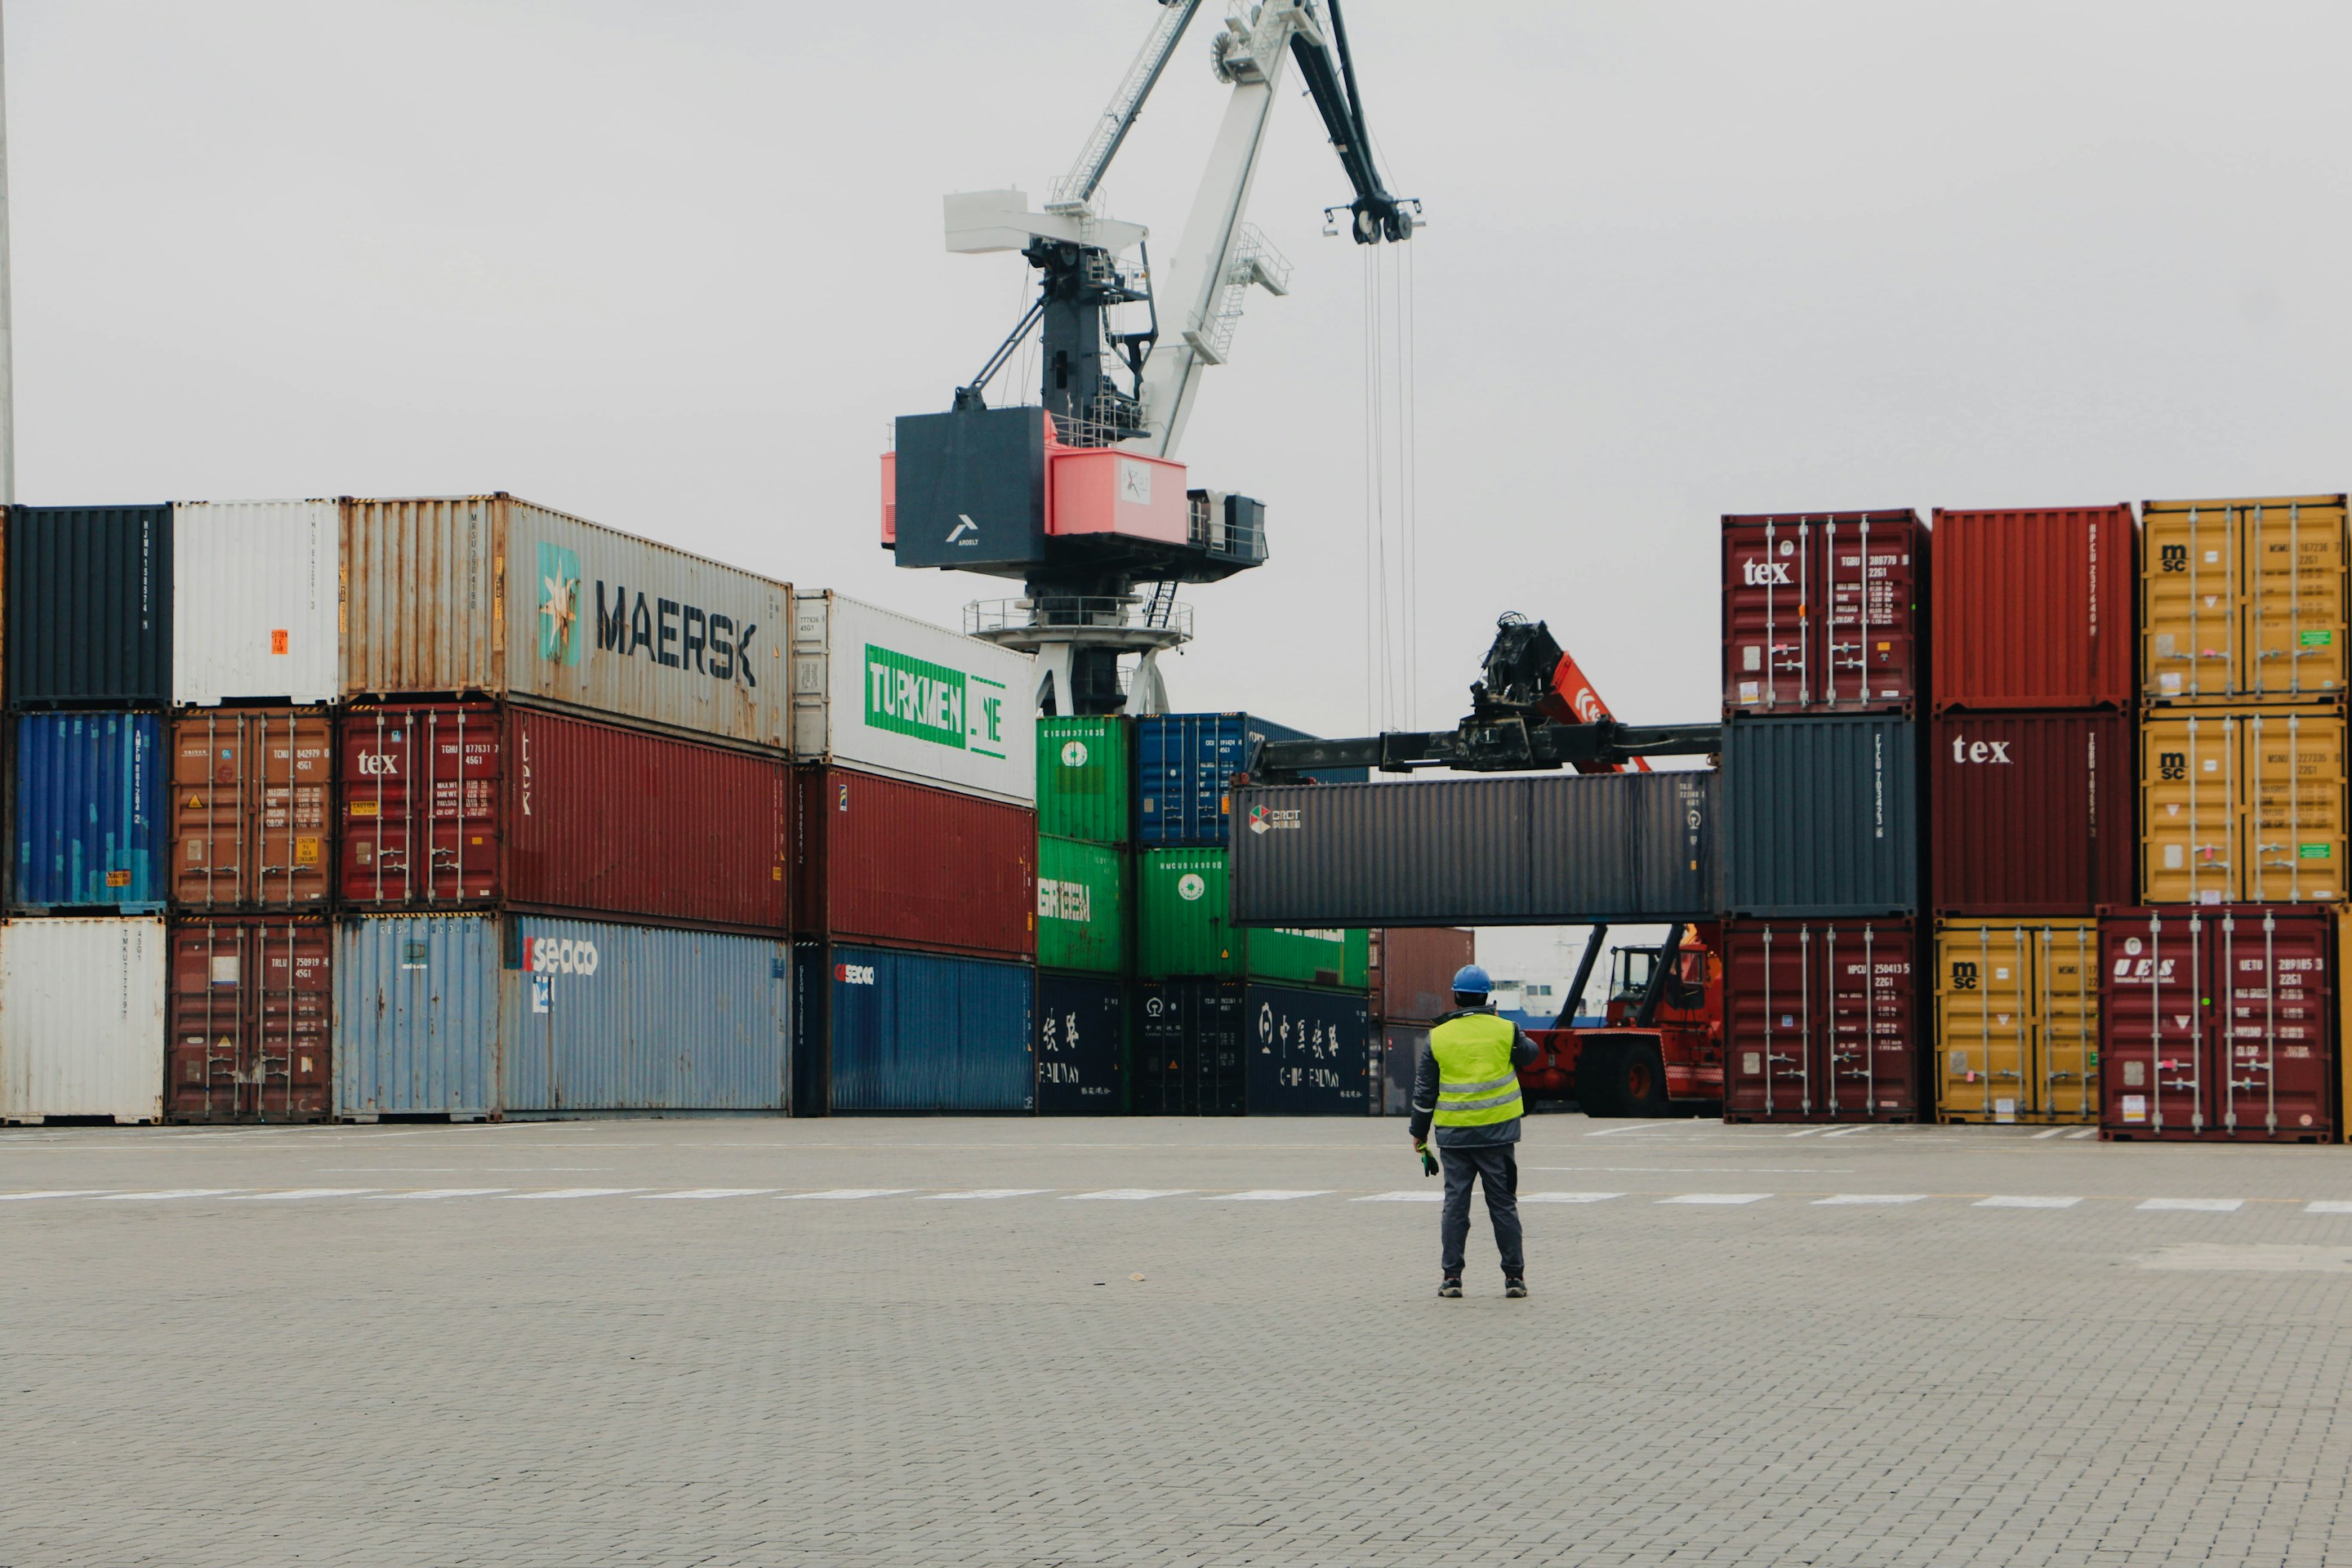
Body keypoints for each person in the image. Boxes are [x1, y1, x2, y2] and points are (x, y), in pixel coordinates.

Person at [1408, 964, 1538, 1298]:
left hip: (1455, 1137)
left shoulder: (1438, 1036)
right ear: (1486, 996)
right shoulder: (1506, 1030)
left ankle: (1452, 1278)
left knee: (1455, 1206)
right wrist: (1511, 1033)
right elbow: (1530, 1056)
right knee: (1503, 1206)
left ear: (1456, 996)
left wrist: (1419, 1132)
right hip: (1498, 1136)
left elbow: (1425, 1091)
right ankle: (1514, 1278)